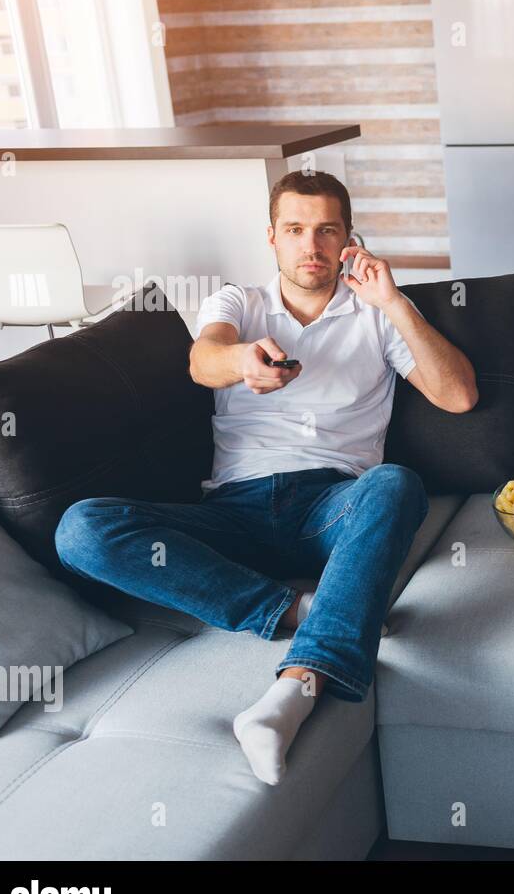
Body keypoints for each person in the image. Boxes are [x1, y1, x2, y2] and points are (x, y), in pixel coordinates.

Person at [54, 170, 477, 785]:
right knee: (82, 529)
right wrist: (241, 362)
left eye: (327, 230)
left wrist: (394, 302)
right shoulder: (238, 302)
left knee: (395, 485)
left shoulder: (377, 315)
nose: (312, 246)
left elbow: (459, 396)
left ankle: (293, 692)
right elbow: (204, 360)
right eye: (296, 230)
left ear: (348, 239)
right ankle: (297, 611)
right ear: (272, 238)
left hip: (332, 506)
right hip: (233, 511)